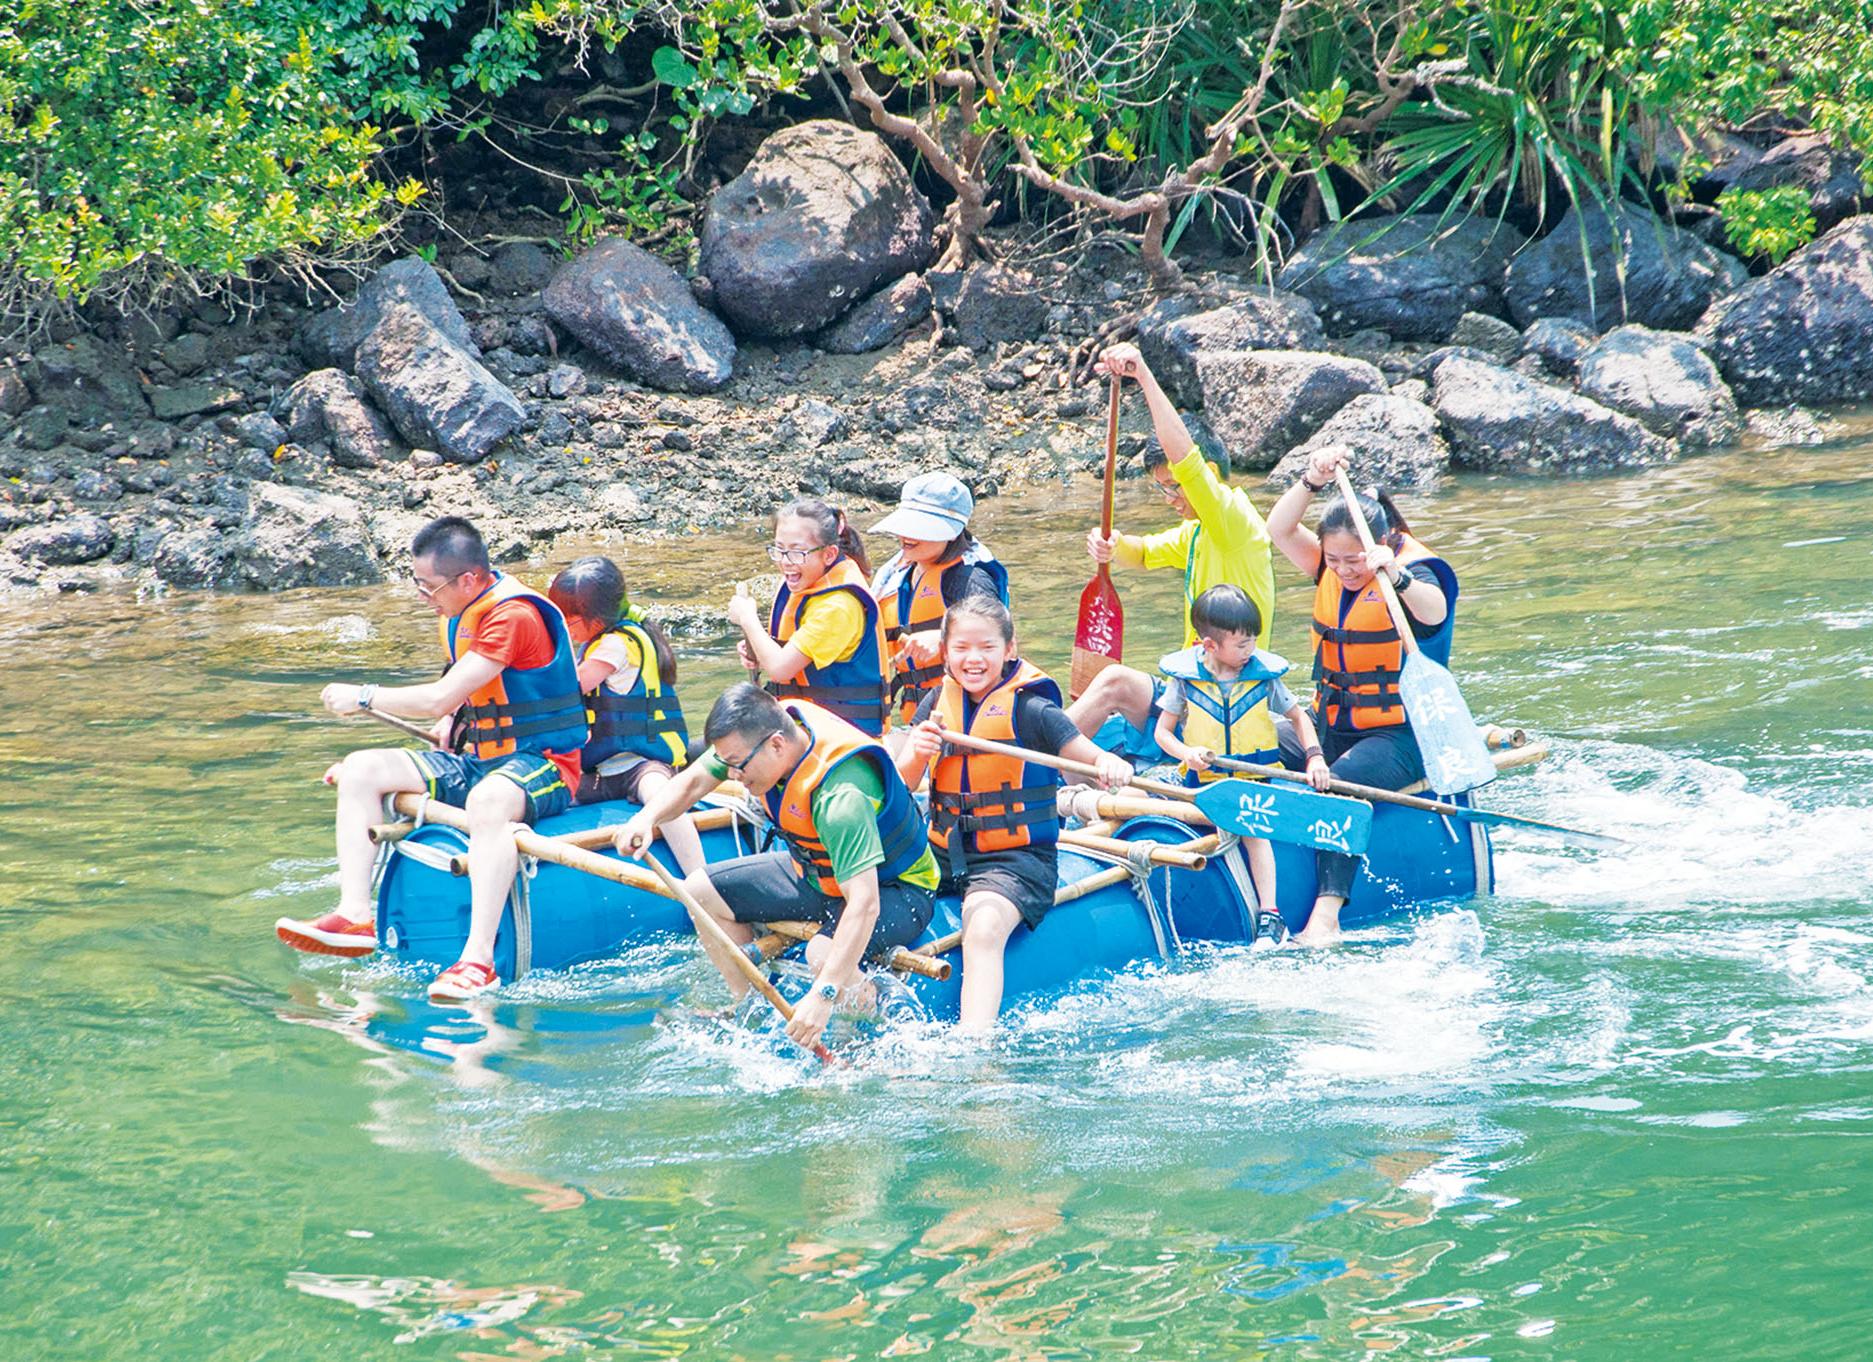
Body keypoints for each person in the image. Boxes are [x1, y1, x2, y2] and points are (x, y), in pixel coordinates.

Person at [276, 516, 588, 1001]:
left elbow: (438, 697)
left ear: (469, 579)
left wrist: (364, 697)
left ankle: (478, 960)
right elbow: (461, 695)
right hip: (478, 761)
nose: (424, 597)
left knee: (487, 802)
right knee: (361, 769)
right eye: (417, 583)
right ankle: (355, 915)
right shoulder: (461, 611)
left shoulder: (513, 616)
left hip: (543, 765)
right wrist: (453, 721)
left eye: (429, 586)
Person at [613, 685, 938, 1052]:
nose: (732, 775)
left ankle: (870, 1015)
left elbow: (864, 904)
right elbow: (696, 780)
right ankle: (747, 1007)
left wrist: (823, 994)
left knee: (822, 956)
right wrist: (646, 819)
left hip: (896, 886)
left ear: (777, 745)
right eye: (727, 764)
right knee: (700, 890)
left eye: (738, 765)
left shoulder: (839, 798)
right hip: (819, 876)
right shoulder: (760, 734)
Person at [892, 597, 1132, 1034]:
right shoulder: (936, 704)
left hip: (1015, 860)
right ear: (945, 652)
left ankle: (975, 1041)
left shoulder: (1032, 709)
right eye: (961, 648)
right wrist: (915, 754)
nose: (974, 659)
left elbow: (1084, 754)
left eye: (987, 647)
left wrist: (1108, 764)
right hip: (941, 854)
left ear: (1009, 648)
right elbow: (901, 785)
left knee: (983, 928)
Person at [1266, 445, 1459, 946]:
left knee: (1339, 783)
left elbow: (1435, 612)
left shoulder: (1414, 574)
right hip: (1329, 724)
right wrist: (1311, 479)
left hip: (1399, 736)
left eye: (1353, 560)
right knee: (1255, 740)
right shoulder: (1329, 567)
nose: (1344, 570)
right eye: (1334, 560)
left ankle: (1326, 916)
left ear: (1382, 544)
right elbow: (1279, 529)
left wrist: (1395, 575)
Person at [1066, 342, 1276, 758]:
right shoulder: (1197, 533)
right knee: (1112, 688)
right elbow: (1144, 553)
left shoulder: (1234, 521)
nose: (1170, 498)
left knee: (1114, 682)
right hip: (1192, 688)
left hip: (1229, 699)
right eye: (1162, 488)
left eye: (1173, 486)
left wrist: (1143, 375)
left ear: (1207, 475)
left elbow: (1186, 459)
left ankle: (1028, 760)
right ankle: (1061, 770)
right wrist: (1111, 545)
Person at [1152, 584, 1333, 919]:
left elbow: (1298, 718)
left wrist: (1315, 757)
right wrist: (1186, 753)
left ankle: (1269, 912)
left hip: (1253, 783)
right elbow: (1162, 733)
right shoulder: (1185, 680)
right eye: (1241, 644)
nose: (1250, 650)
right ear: (1209, 645)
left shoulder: (1263, 678)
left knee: (1252, 831)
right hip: (1201, 782)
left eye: (1252, 641)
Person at [545, 556, 706, 874]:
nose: (563, 628)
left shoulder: (617, 646)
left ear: (597, 618)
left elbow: (570, 688)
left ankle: (700, 878)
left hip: (641, 766)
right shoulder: (595, 643)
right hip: (599, 773)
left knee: (662, 798)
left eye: (569, 621)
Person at [728, 499, 890, 736]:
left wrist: (748, 619)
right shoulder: (807, 584)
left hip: (843, 736)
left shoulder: (838, 606)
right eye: (779, 549)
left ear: (829, 554)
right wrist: (759, 648)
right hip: (803, 726)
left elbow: (780, 669)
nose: (785, 561)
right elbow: (788, 658)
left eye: (797, 552)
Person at [869, 472, 1010, 725]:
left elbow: (997, 638)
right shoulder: (897, 575)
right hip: (919, 718)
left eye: (919, 527)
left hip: (967, 717)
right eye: (905, 524)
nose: (906, 535)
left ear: (953, 533)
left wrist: (943, 639)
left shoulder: (969, 577)